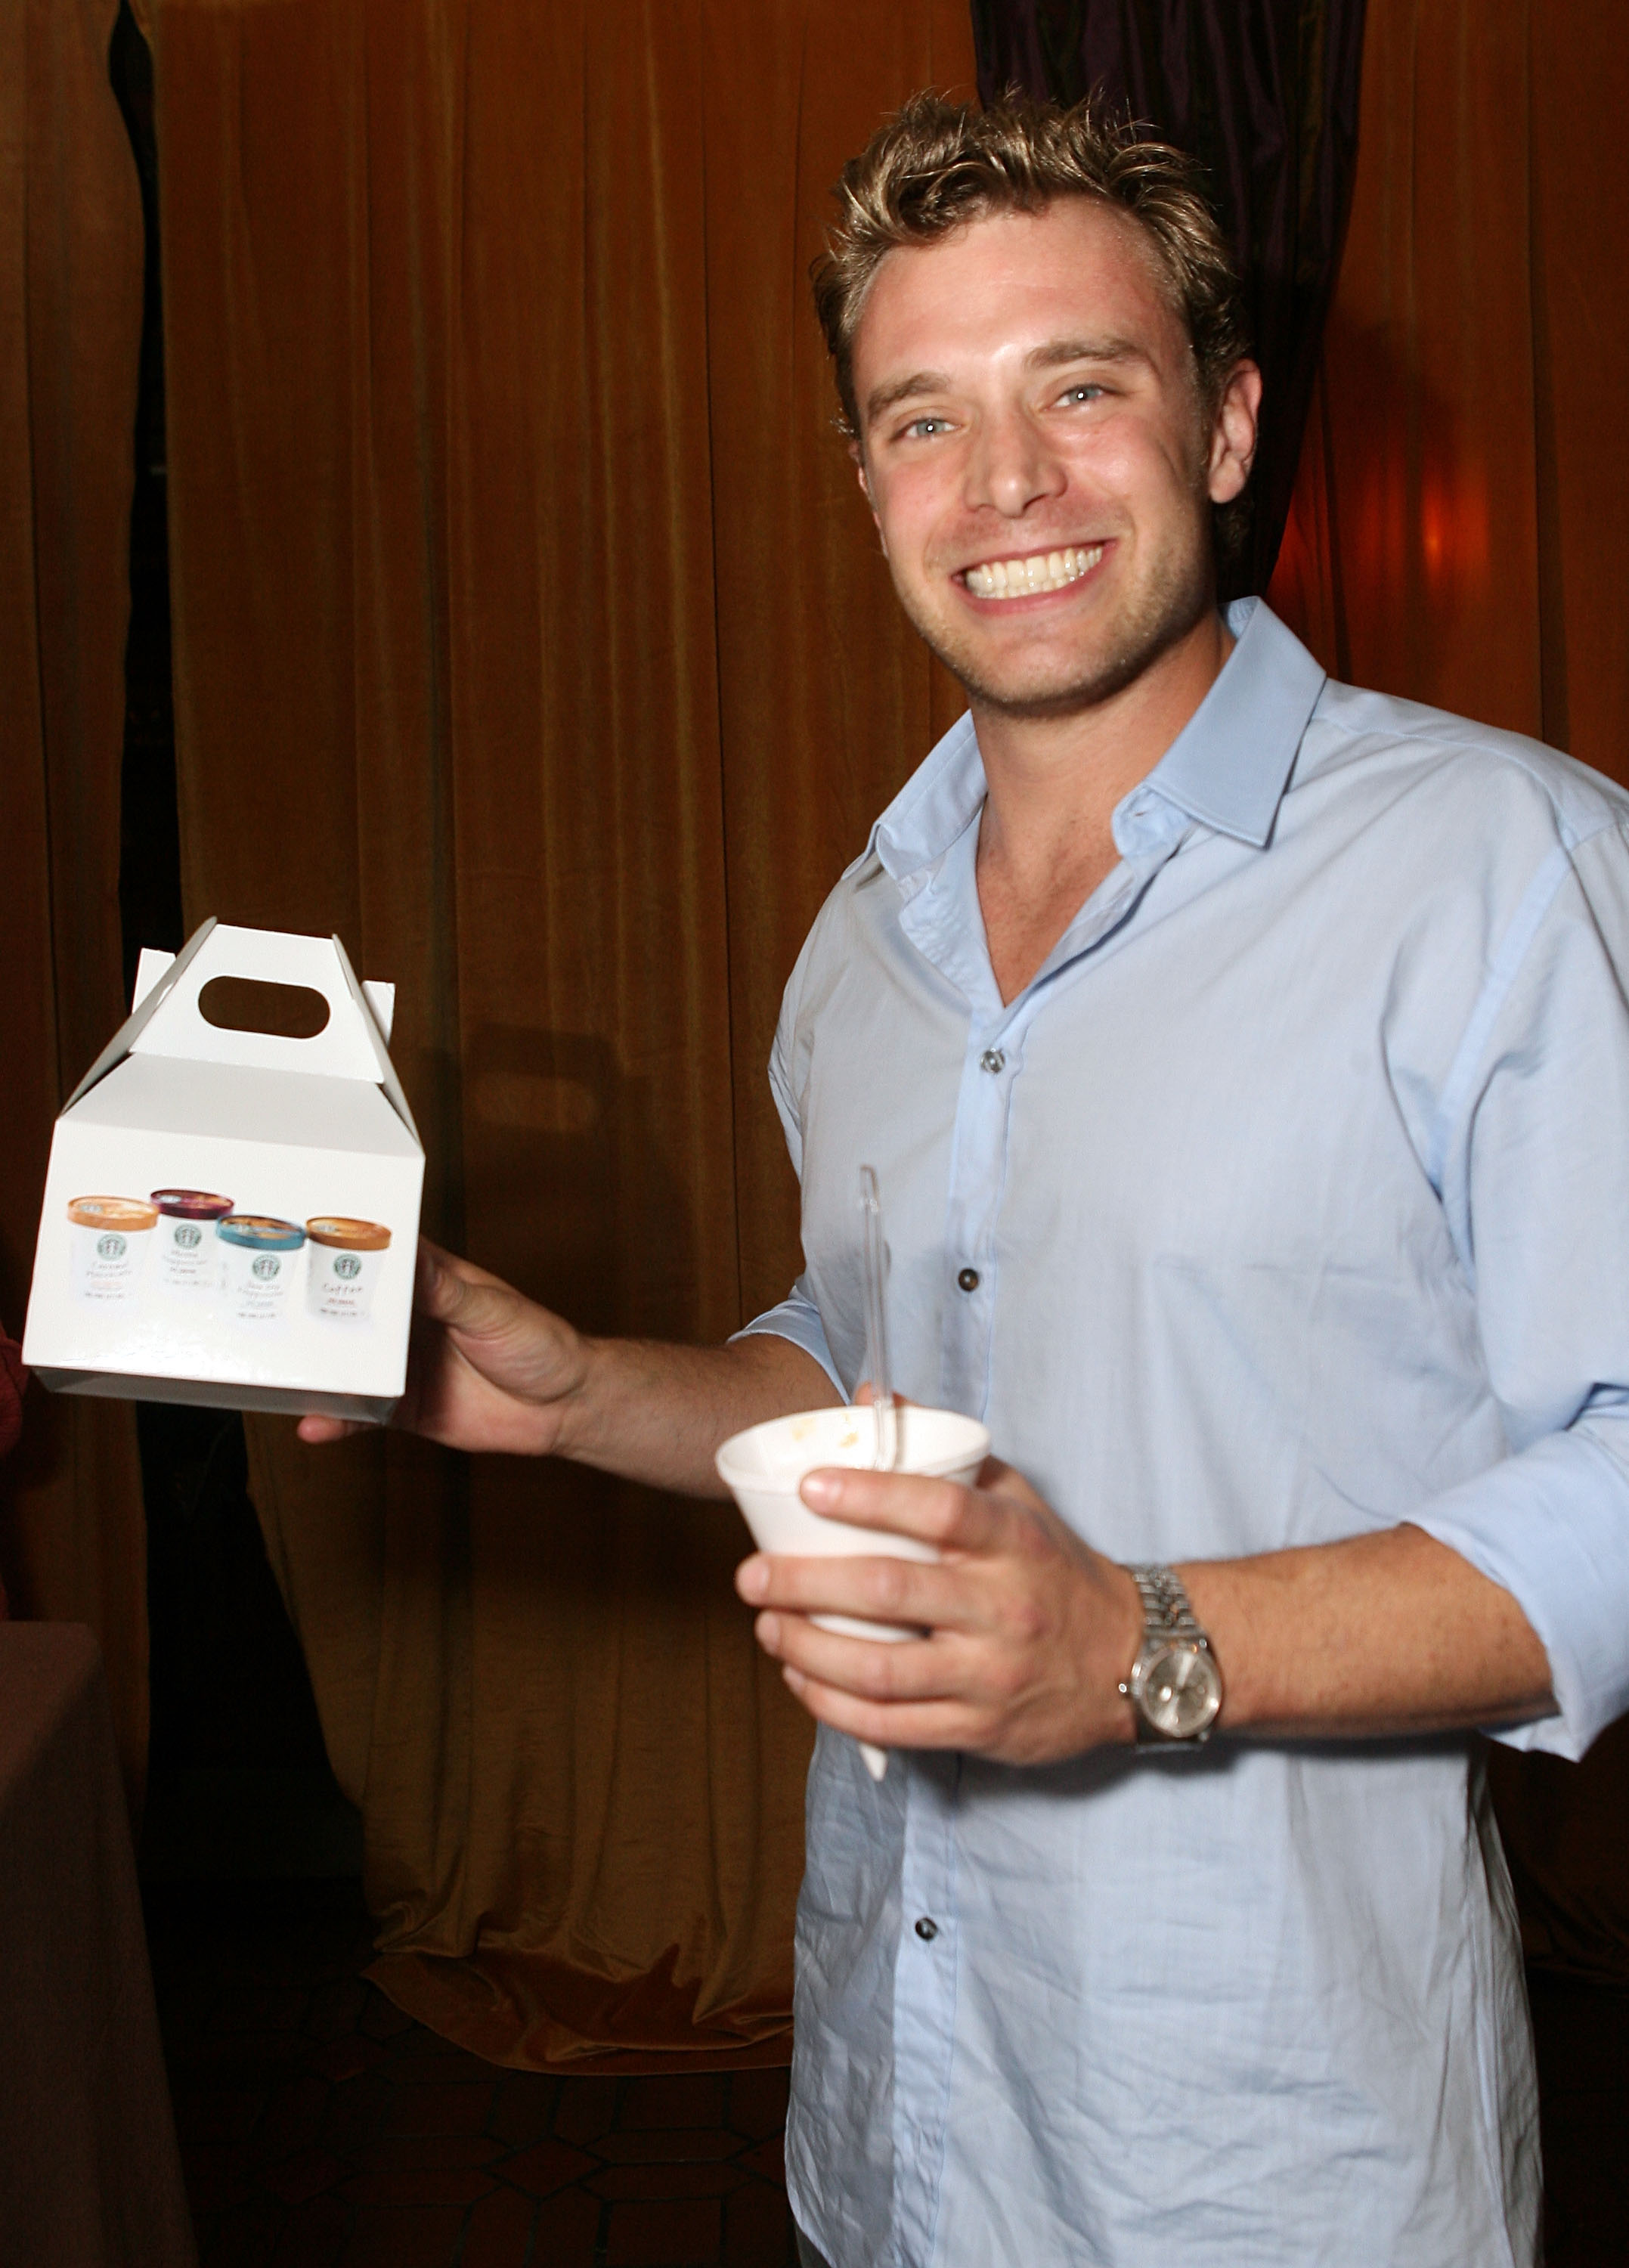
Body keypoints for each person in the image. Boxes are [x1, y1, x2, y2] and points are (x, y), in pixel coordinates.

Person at [302, 94, 1629, 2266]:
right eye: (922, 420)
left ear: (1221, 426)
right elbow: (874, 1362)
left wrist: (1139, 1645)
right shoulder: (864, 939)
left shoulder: (1507, 871)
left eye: (1077, 389)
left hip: (1276, 2160)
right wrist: (577, 1398)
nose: (1001, 485)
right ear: (863, 485)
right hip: (901, 2121)